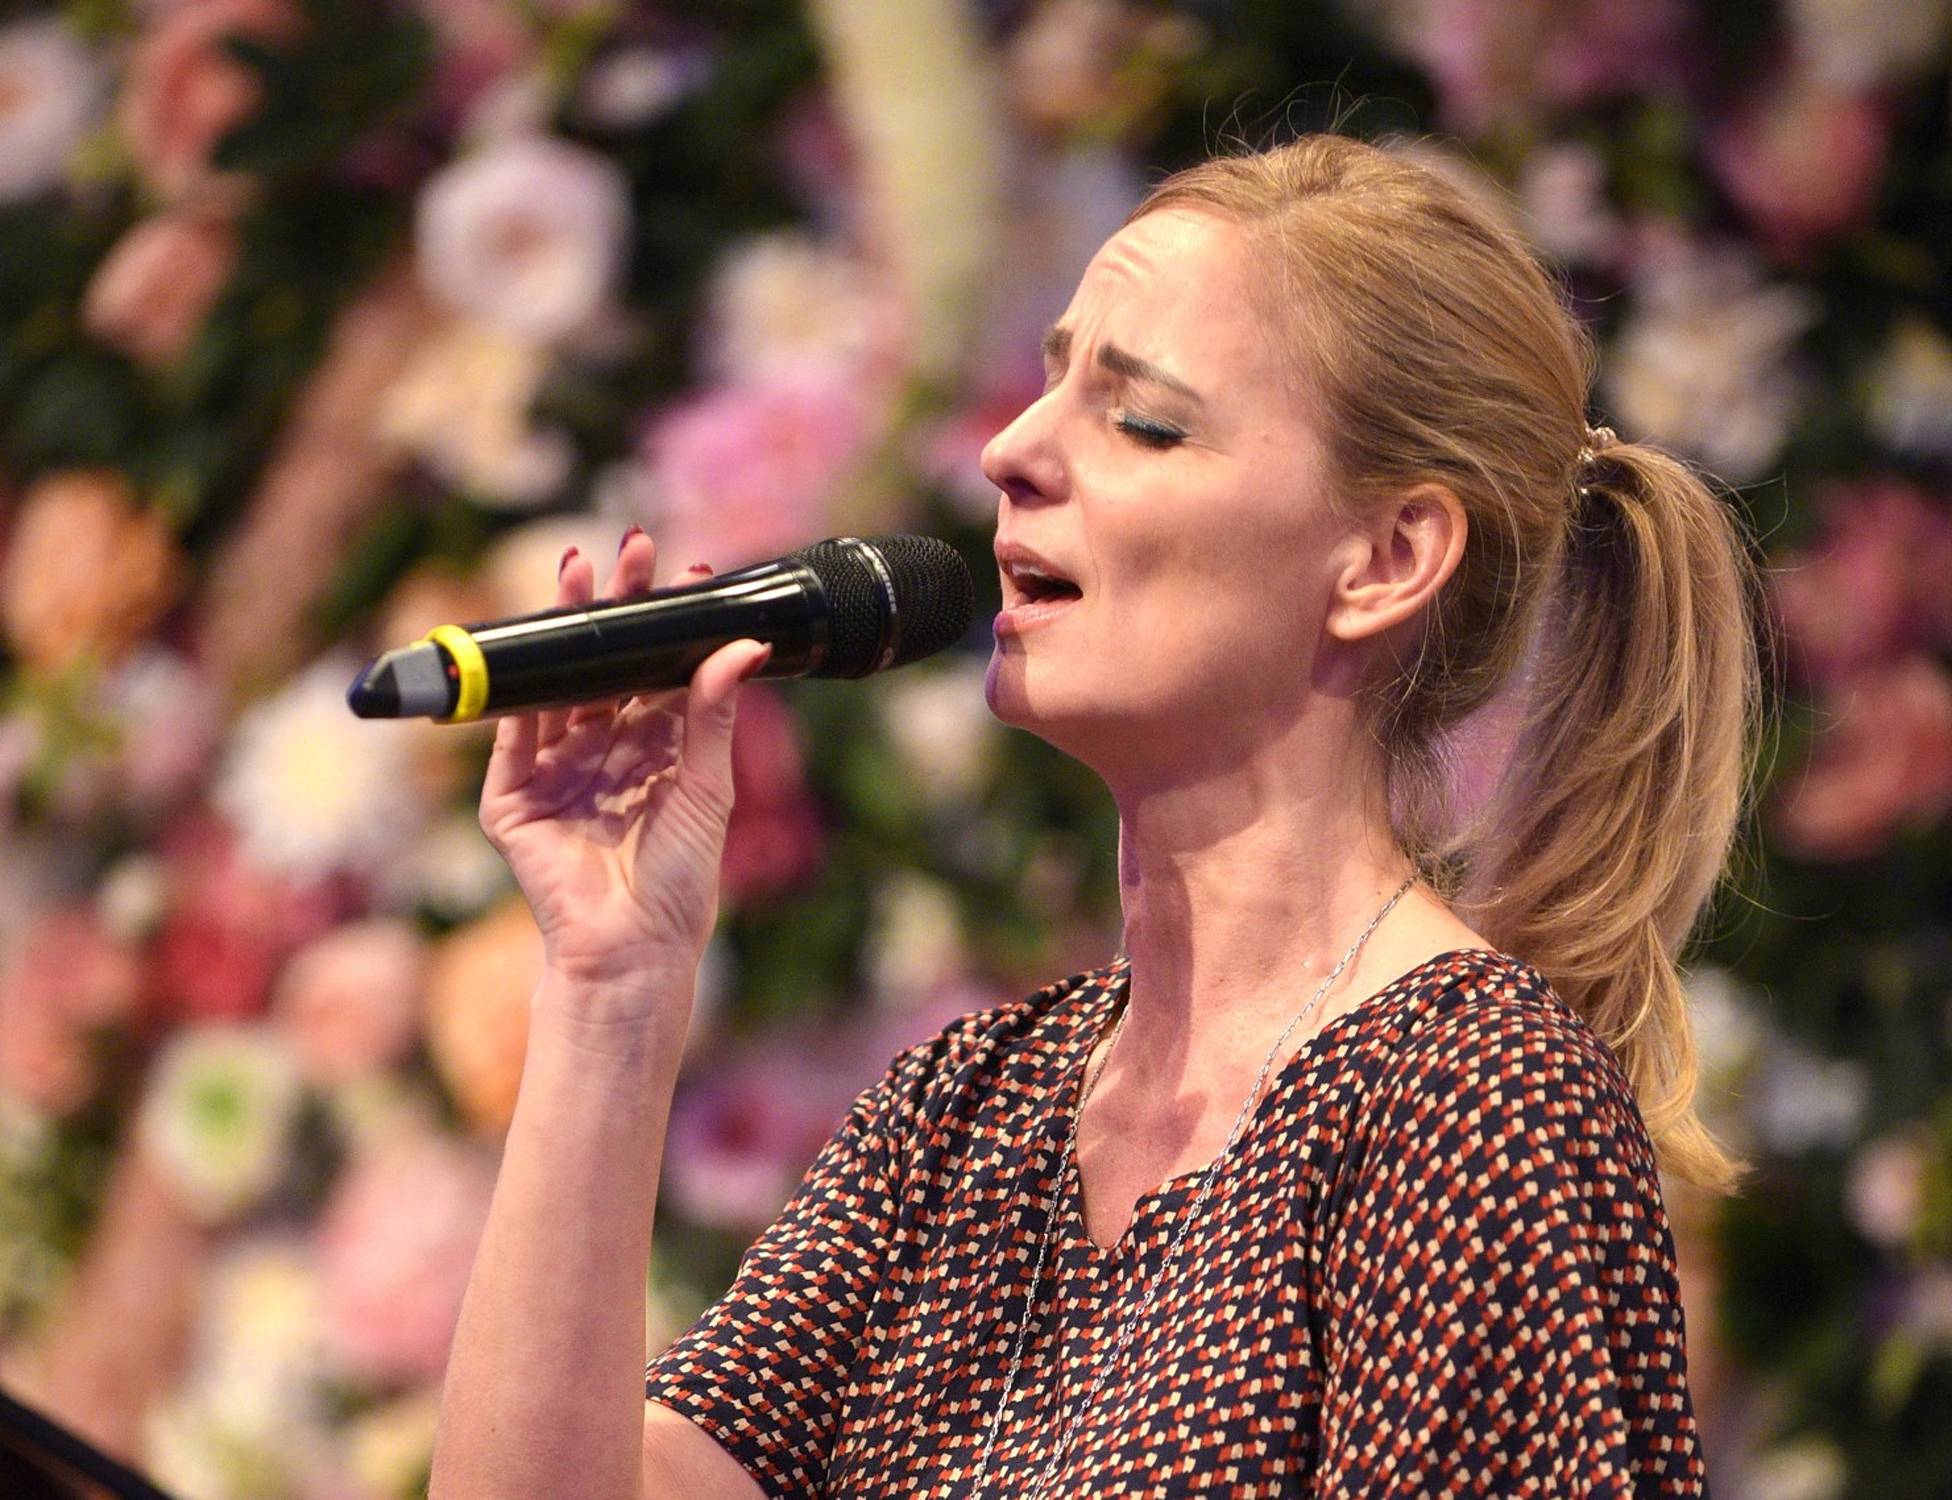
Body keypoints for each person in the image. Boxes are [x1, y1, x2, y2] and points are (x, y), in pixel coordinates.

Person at [429, 133, 1764, 1499]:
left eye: (1143, 422)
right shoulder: (962, 1117)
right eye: (1051, 379)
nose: (1010, 450)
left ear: (1386, 557)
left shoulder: (1470, 1105)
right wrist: (612, 986)